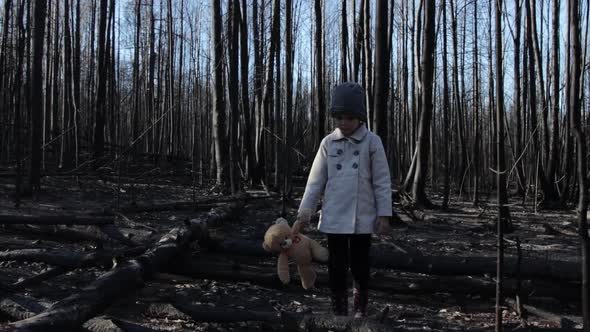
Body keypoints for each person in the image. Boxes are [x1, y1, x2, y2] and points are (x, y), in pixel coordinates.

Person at [293, 82, 392, 318]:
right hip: (335, 215)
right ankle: (338, 310)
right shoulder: (328, 143)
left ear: (359, 117)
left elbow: (382, 181)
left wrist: (384, 215)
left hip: (363, 216)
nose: (344, 123)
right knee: (336, 266)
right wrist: (305, 213)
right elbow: (315, 181)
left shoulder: (372, 142)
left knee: (360, 264)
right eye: (339, 117)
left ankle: (360, 307)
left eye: (349, 117)